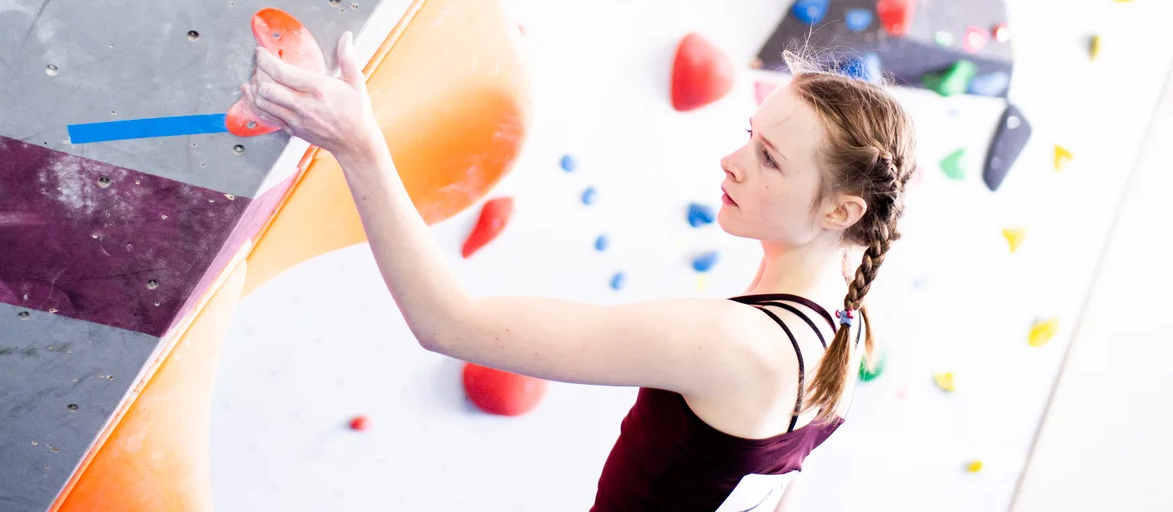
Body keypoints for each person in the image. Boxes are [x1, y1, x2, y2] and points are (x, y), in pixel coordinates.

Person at [241, 34, 917, 511]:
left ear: (841, 211)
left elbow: (448, 323)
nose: (732, 162)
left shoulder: (736, 343)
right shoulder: (845, 325)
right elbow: (780, 489)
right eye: (750, 135)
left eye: (769, 158)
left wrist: (357, 145)